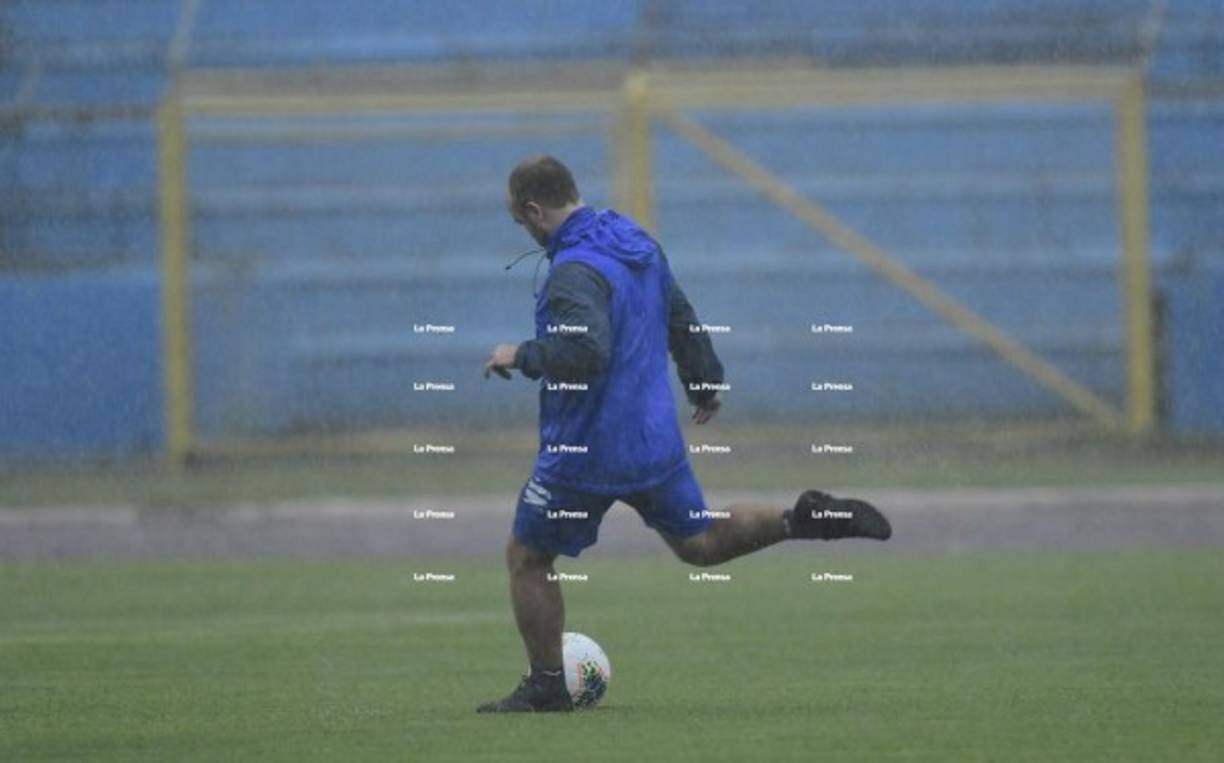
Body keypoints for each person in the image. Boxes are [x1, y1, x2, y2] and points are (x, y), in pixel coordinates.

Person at [478, 155, 891, 713]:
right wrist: (703, 378)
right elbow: (679, 312)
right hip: (651, 438)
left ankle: (549, 684)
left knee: (527, 557)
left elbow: (585, 352)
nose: (525, 232)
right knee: (699, 542)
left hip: (586, 447)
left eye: (521, 222)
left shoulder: (573, 271)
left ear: (534, 210)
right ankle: (801, 517)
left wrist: (520, 354)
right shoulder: (634, 240)